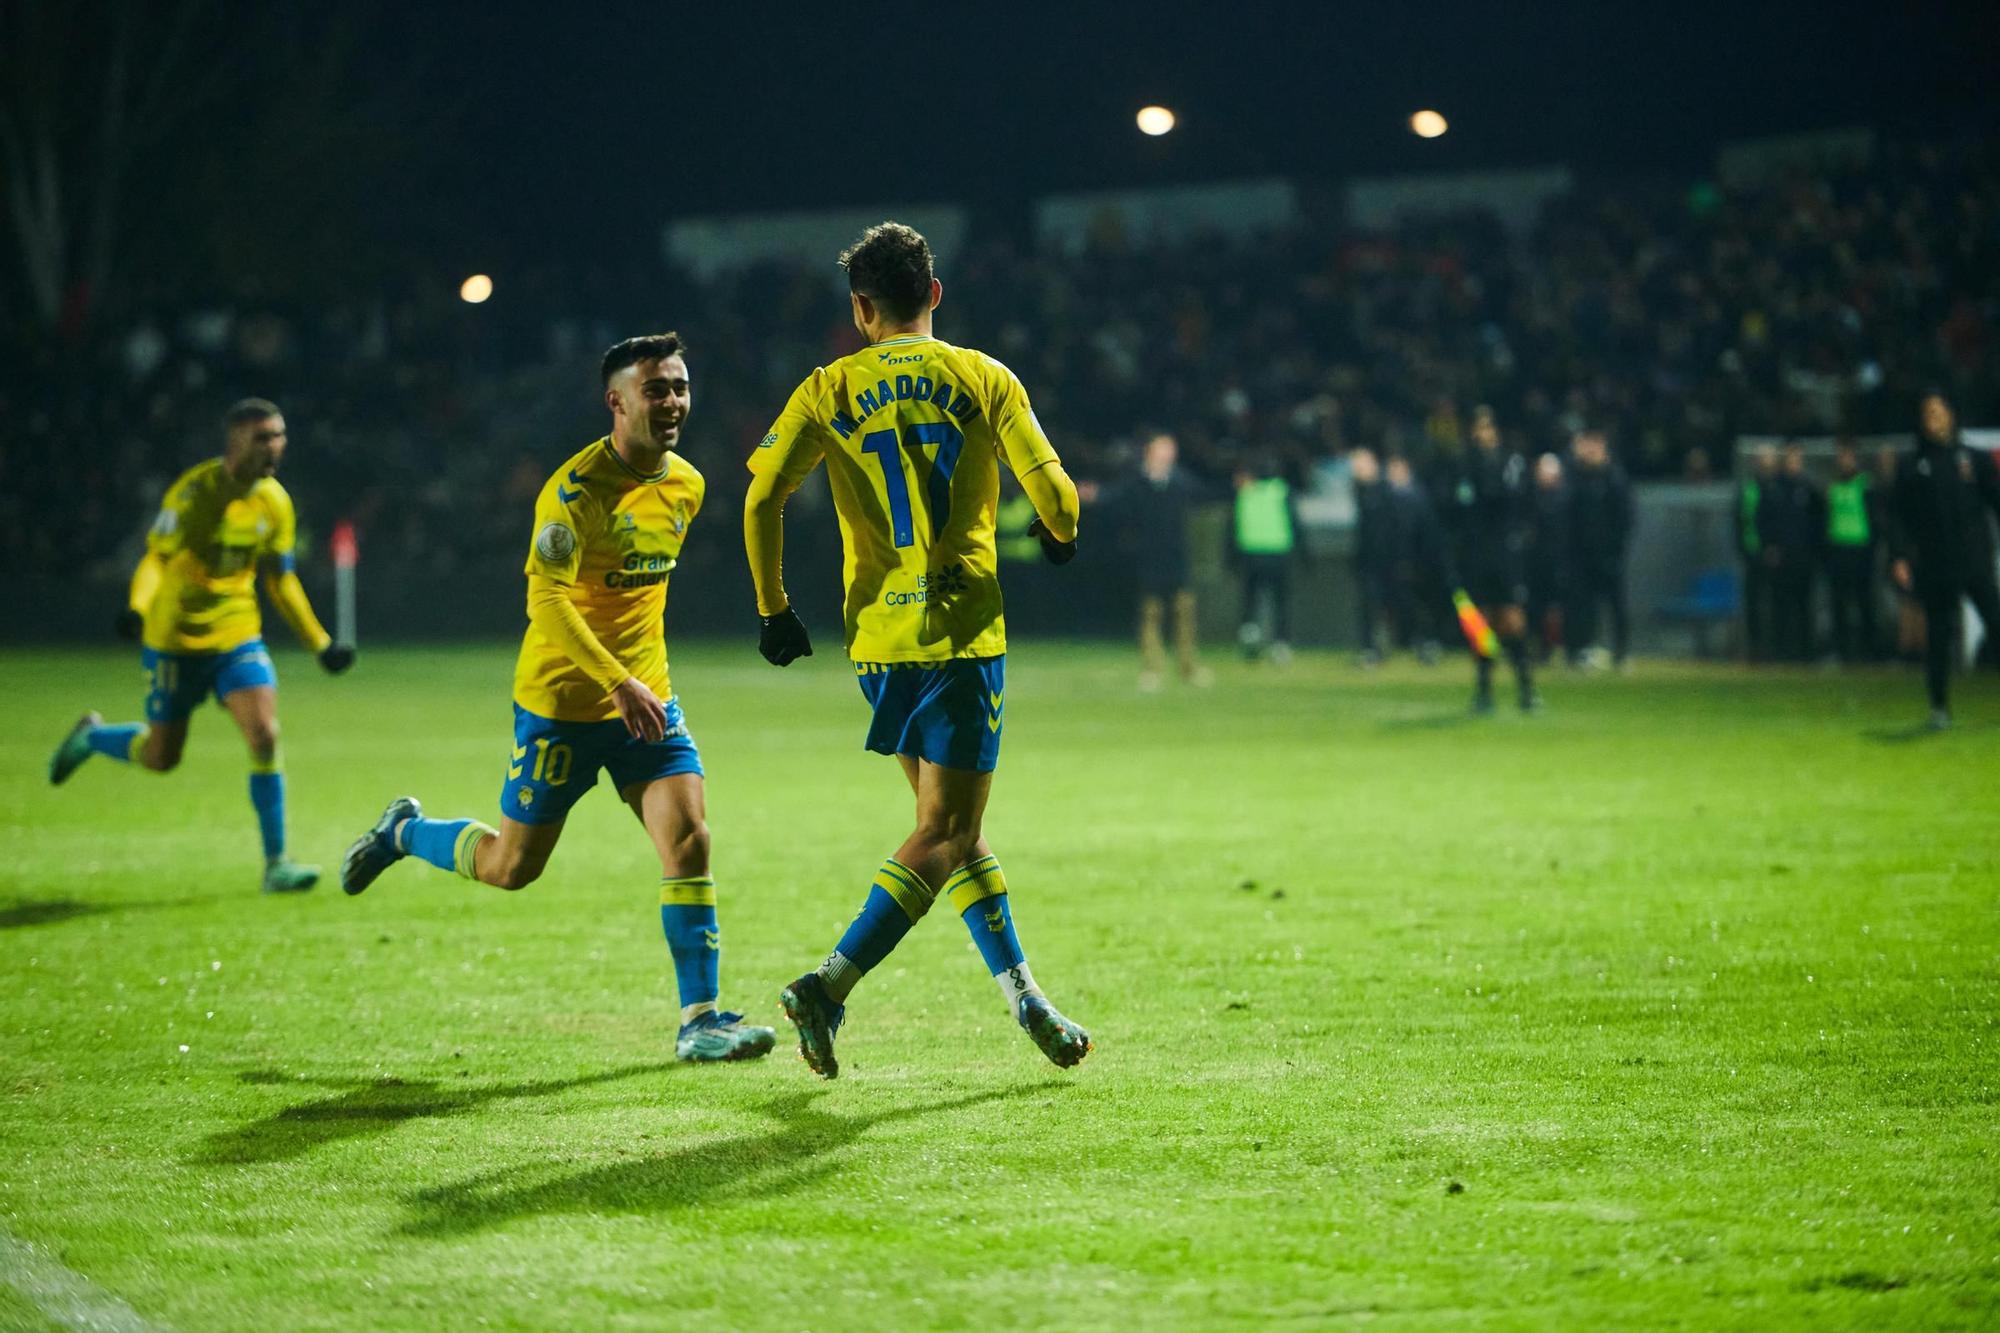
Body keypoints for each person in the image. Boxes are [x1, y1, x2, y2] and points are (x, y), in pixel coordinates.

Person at [336, 335, 776, 1064]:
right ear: (617, 401)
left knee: (690, 838)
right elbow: (547, 599)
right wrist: (614, 678)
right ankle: (405, 831)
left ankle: (700, 1018)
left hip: (648, 703)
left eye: (680, 387)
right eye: (656, 390)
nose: (672, 402)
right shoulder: (572, 492)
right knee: (512, 867)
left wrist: (638, 682)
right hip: (564, 707)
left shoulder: (688, 486)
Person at [743, 221, 1092, 1079]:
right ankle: (828, 982)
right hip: (962, 635)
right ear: (933, 293)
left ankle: (1025, 996)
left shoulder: (827, 388)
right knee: (945, 829)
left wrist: (774, 609)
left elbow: (761, 499)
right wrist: (1058, 532)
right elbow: (1059, 498)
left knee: (951, 831)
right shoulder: (982, 376)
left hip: (877, 643)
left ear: (862, 308)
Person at [48, 398, 352, 893]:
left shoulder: (275, 502)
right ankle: (92, 737)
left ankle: (277, 863)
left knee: (265, 736)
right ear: (234, 441)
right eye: (262, 437)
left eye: (279, 436)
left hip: (237, 636)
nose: (274, 447)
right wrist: (137, 608)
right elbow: (155, 558)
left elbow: (280, 581)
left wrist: (320, 644)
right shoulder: (194, 494)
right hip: (176, 639)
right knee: (161, 757)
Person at [1890, 391, 2000, 728]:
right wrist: (1899, 556)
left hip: (1975, 560)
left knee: (1996, 625)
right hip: (1935, 565)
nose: (1933, 419)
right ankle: (1939, 709)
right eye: (1928, 413)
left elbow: (1995, 500)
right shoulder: (1912, 465)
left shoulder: (1974, 458)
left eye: (1938, 412)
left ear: (1950, 415)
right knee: (1938, 639)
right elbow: (1898, 516)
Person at [1099, 432, 1213, 690]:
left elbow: (1207, 493)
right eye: (1162, 450)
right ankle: (1152, 670)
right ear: (1150, 453)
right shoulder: (1137, 482)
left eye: (1170, 451)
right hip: (1149, 559)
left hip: (1177, 559)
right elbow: (1114, 500)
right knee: (1150, 616)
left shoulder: (1181, 481)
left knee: (1184, 616)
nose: (1167, 456)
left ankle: (1188, 669)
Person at [1452, 407, 1538, 712]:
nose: (1482, 434)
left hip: (1505, 552)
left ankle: (1527, 687)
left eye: (1487, 428)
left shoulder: (1510, 462)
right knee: (1482, 623)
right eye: (1477, 428)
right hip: (1478, 553)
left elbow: (1508, 498)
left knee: (1512, 620)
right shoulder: (1466, 464)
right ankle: (1484, 690)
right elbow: (1460, 505)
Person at [1564, 428, 1635, 669]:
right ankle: (1584, 648)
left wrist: (1617, 549)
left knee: (1616, 603)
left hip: (1609, 554)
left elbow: (1625, 517)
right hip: (1581, 555)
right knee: (1584, 604)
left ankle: (1622, 651)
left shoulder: (1615, 478)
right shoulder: (1576, 476)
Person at [1759, 441, 1824, 662]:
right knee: (1781, 607)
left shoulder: (1809, 489)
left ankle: (1806, 653)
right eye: (1790, 458)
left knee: (1805, 606)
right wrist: (1769, 547)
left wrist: (1816, 551)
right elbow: (1762, 521)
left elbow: (1819, 522)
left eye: (1797, 458)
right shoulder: (1773, 488)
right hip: (1780, 558)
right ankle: (1781, 652)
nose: (1794, 463)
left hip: (1804, 557)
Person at [1233, 452, 1297, 663]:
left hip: (1251, 552)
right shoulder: (1281, 491)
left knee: (1251, 601)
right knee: (1280, 602)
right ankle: (1280, 644)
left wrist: (1231, 557)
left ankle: (1250, 636)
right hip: (1278, 551)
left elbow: (1234, 526)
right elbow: (1294, 522)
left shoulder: (1246, 492)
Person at [1823, 439, 1881, 663]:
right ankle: (1842, 650)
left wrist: (1872, 547)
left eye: (1848, 457)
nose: (1844, 461)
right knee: (1839, 602)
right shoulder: (1832, 487)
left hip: (1860, 550)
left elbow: (1875, 518)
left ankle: (1869, 649)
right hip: (1838, 550)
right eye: (1841, 457)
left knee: (1864, 601)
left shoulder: (1864, 484)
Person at [1349, 447, 1394, 665]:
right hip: (1368, 559)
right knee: (1368, 604)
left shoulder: (1383, 490)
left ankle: (1415, 641)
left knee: (1390, 602)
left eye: (1361, 464)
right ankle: (1370, 647)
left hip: (1387, 557)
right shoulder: (1360, 491)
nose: (1357, 470)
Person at [1526, 452, 1570, 662]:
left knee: (1557, 608)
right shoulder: (1531, 497)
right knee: (1535, 606)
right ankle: (1539, 647)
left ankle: (1560, 646)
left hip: (1559, 560)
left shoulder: (1565, 499)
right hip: (1535, 562)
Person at [1737, 444, 1778, 660]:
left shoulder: (1776, 488)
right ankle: (1756, 650)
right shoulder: (1749, 488)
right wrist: (1743, 549)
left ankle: (1777, 648)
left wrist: (1774, 547)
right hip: (1751, 553)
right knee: (1753, 603)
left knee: (1774, 603)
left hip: (1772, 555)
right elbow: (1740, 520)